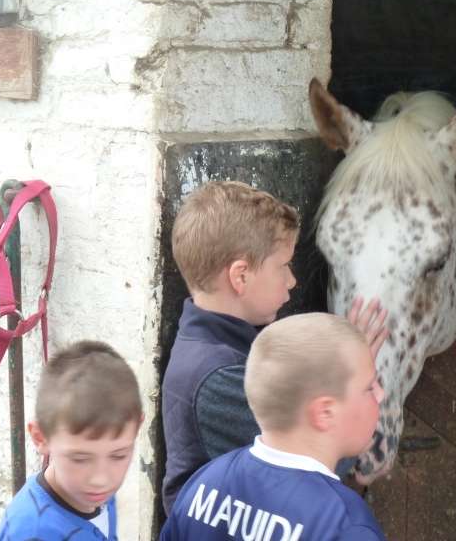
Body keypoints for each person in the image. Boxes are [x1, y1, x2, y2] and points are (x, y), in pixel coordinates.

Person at [162, 181, 387, 515]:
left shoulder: (222, 347)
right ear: (240, 277)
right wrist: (355, 380)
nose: (292, 280)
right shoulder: (216, 378)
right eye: (283, 265)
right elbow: (311, 469)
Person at [161, 313, 388, 541]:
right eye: (369, 388)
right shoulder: (347, 525)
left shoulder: (204, 482)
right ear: (325, 413)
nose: (381, 395)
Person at [0, 341, 144, 541]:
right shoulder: (32, 533)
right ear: (41, 437)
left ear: (138, 427)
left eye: (119, 456)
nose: (101, 479)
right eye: (80, 459)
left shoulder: (95, 494)